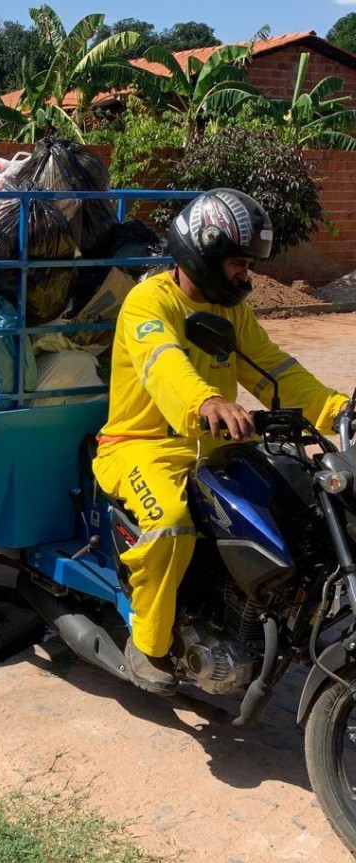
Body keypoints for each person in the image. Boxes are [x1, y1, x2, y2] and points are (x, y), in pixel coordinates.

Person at [93, 189, 349, 694]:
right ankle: (149, 642)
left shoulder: (231, 312)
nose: (245, 276)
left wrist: (337, 408)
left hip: (210, 445)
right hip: (141, 445)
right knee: (170, 523)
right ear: (201, 253)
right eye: (237, 262)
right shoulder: (149, 302)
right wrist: (205, 403)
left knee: (299, 500)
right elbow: (162, 360)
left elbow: (275, 369)